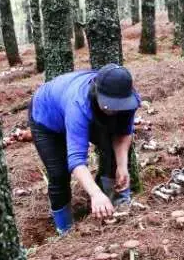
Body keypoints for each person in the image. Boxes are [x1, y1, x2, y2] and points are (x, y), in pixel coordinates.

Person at [28, 64, 141, 235]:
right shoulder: (79, 104)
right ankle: (65, 230)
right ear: (97, 94)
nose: (116, 109)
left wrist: (122, 165)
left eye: (120, 105)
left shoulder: (128, 100)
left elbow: (123, 133)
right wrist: (95, 194)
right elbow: (76, 159)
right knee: (59, 174)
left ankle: (118, 204)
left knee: (111, 153)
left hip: (85, 111)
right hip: (47, 119)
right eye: (111, 105)